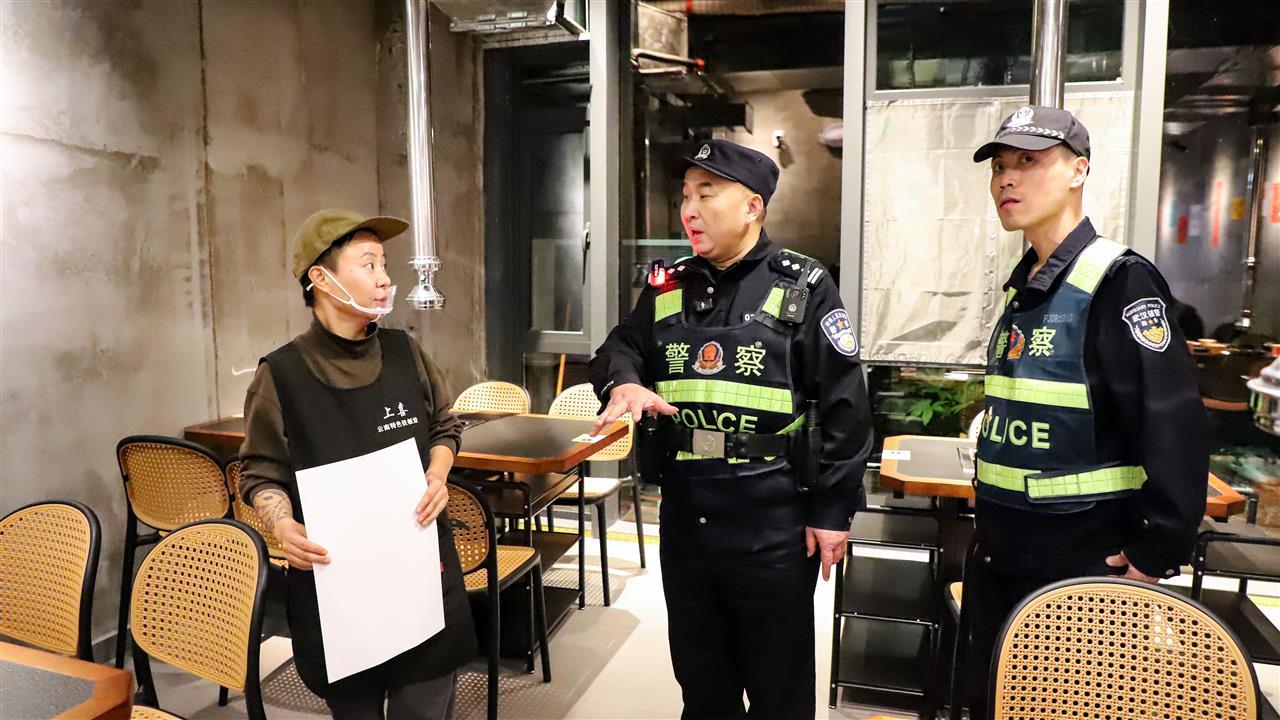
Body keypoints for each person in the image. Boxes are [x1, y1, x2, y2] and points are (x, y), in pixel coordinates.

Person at [589, 139, 874, 719]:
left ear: (752, 207)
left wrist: (832, 511)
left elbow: (846, 406)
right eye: (685, 196)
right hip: (687, 514)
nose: (689, 210)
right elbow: (620, 346)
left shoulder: (803, 284)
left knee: (778, 689)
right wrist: (624, 381)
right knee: (702, 684)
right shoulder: (669, 286)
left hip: (772, 515)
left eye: (706, 194)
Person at [967, 106, 1209, 717]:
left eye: (1029, 161)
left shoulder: (1119, 281)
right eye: (999, 166)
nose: (1007, 179)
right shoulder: (1028, 286)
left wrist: (1153, 554)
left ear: (1078, 171)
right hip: (1004, 556)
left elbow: (1172, 422)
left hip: (1081, 568)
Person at [238, 208, 477, 719]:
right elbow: (260, 471)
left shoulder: (406, 351)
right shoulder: (279, 375)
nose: (385, 278)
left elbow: (445, 425)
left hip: (420, 572)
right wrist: (283, 526)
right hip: (340, 589)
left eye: (384, 264)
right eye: (369, 265)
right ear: (321, 279)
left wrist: (437, 474)